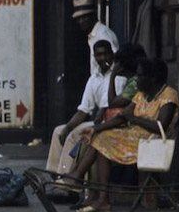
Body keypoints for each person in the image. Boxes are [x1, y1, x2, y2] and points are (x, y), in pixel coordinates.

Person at [65, 58, 179, 212]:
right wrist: (96, 128)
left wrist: (134, 119)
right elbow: (123, 117)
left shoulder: (169, 95)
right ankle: (96, 194)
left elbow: (161, 127)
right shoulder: (141, 94)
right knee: (98, 137)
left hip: (153, 142)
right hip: (135, 138)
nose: (136, 80)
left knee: (102, 140)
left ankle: (85, 183)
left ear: (152, 78)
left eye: (140, 76)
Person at [46, 41, 126, 175]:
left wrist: (74, 129)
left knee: (74, 135)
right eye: (99, 55)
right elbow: (84, 110)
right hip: (96, 119)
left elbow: (108, 108)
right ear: (95, 57)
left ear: (112, 54)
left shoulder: (119, 76)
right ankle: (54, 174)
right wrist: (68, 126)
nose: (103, 58)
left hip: (109, 121)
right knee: (59, 131)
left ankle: (66, 178)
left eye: (106, 54)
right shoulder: (94, 78)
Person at [72, 0, 119, 77]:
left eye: (84, 17)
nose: (81, 21)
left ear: (93, 15)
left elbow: (115, 63)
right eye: (78, 18)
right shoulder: (92, 36)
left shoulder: (103, 34)